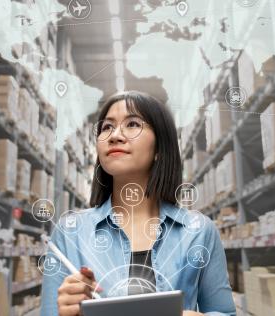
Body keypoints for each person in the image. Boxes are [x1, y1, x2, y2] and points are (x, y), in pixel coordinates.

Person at [41, 91, 236, 316]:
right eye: (106, 127)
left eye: (132, 124)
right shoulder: (69, 232)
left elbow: (225, 313)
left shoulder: (198, 231)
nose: (115, 135)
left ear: (160, 149)